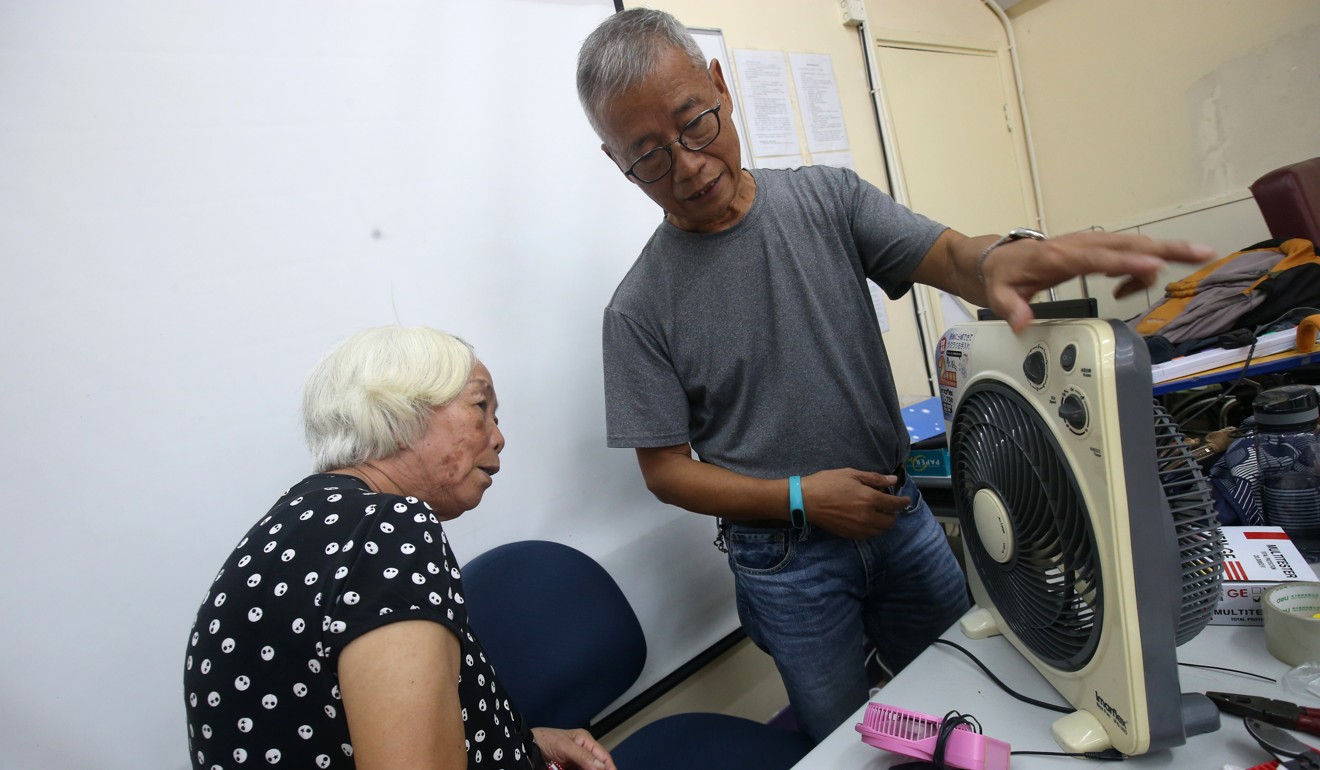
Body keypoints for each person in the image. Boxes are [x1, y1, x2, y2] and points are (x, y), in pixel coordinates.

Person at [575, 8, 1215, 743]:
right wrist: (797, 499)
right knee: (848, 737)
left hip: (899, 514)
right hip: (785, 563)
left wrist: (998, 260)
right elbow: (665, 472)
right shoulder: (638, 308)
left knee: (977, 690)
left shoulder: (827, 199)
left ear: (719, 84)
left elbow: (948, 259)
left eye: (696, 123)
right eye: (649, 156)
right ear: (614, 160)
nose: (688, 166)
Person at [182, 326, 614, 770]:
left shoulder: (283, 532)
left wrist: (521, 744)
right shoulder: (388, 527)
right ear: (400, 412)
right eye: (481, 406)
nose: (498, 437)